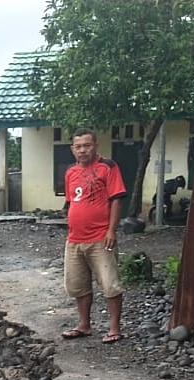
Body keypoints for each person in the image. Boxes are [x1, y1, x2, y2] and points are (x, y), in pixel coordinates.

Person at [61, 128, 127, 344]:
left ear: (95, 146)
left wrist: (111, 230)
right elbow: (71, 202)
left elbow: (117, 199)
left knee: (110, 283)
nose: (83, 150)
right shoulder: (70, 172)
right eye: (78, 147)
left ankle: (114, 328)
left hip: (100, 237)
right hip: (75, 239)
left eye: (87, 145)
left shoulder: (108, 167)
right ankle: (84, 325)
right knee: (78, 285)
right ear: (72, 149)